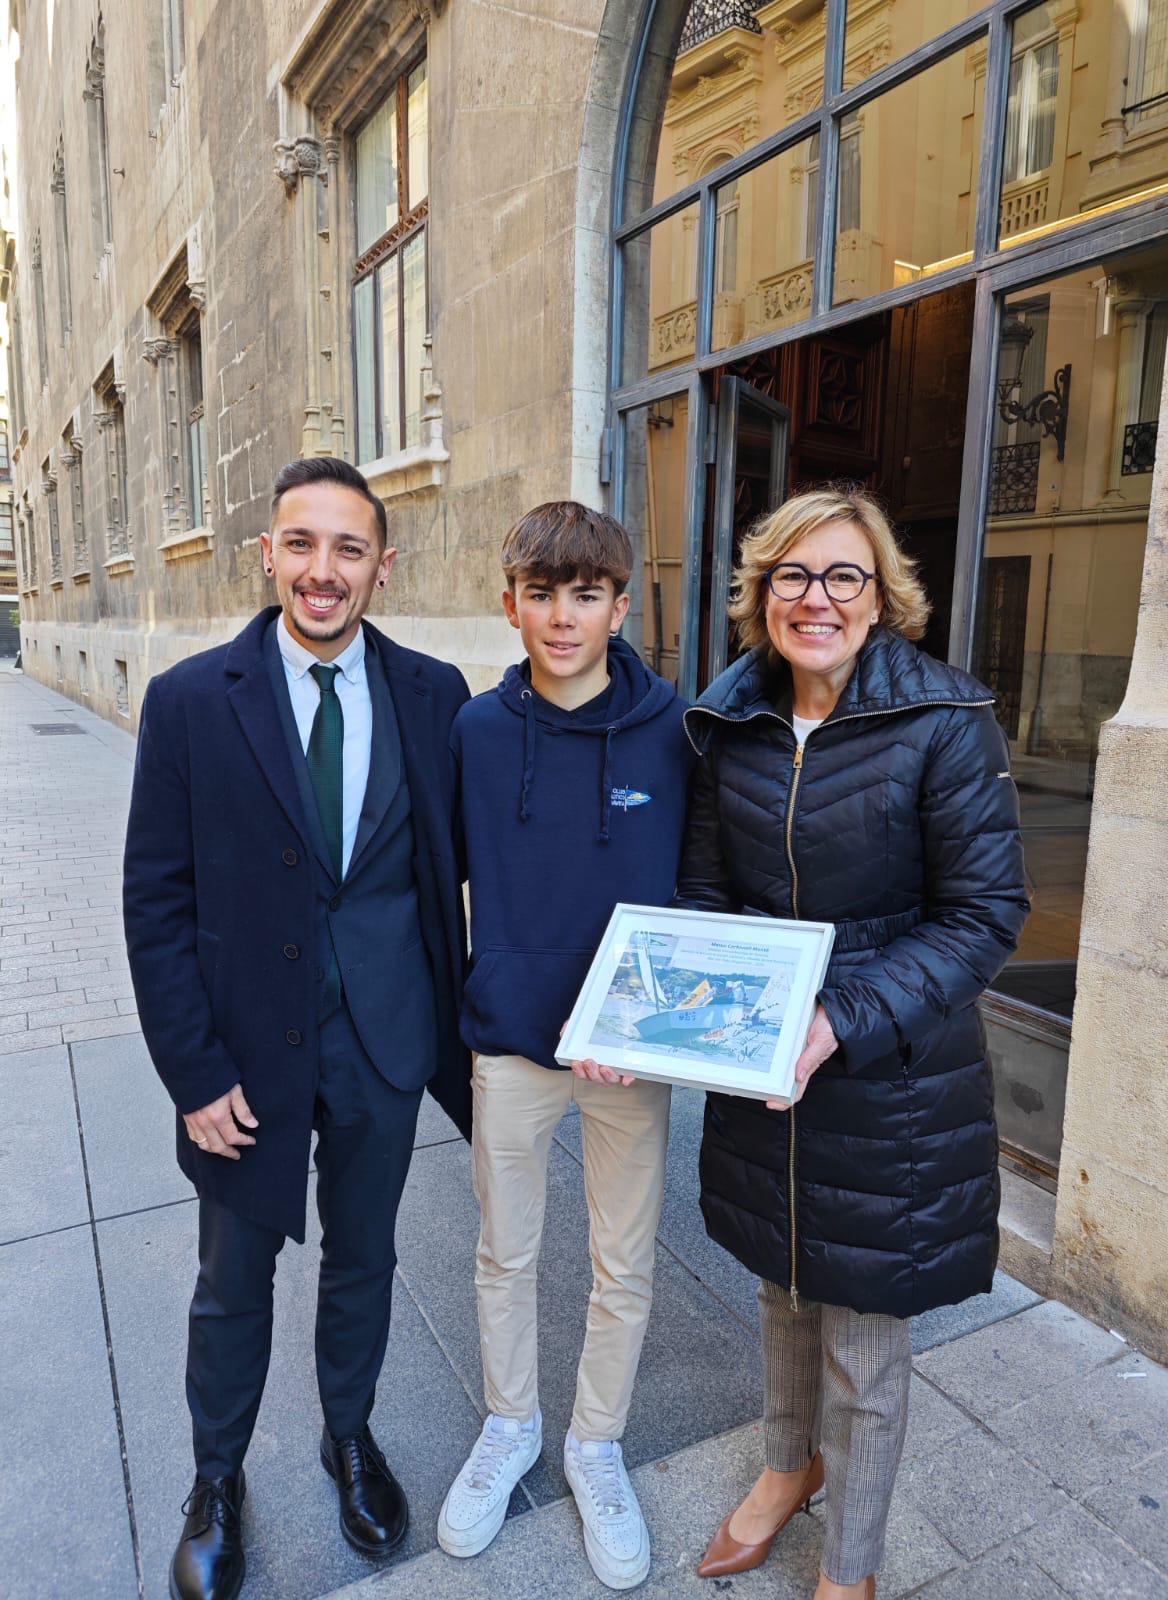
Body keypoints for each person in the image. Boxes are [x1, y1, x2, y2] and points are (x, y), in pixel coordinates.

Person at [123, 457, 471, 1600]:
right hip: (243, 1058)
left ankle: (349, 1435)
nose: (324, 571)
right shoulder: (187, 701)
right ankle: (216, 1480)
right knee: (234, 1277)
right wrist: (191, 1068)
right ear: (267, 553)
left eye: (349, 548)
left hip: (385, 1040)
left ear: (381, 563)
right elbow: (156, 899)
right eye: (302, 544)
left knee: (366, 1258)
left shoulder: (434, 694)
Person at [678, 486, 1029, 1600]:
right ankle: (789, 1464)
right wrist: (714, 1007)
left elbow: (983, 916)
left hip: (890, 1079)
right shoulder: (727, 722)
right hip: (765, 1065)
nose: (815, 598)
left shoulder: (945, 721)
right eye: (792, 574)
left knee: (866, 1333)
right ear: (761, 593)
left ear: (882, 599)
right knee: (781, 1285)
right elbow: (703, 892)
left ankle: (854, 1566)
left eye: (843, 576)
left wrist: (835, 1019)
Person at [438, 502, 693, 1590]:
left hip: (625, 1058)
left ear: (621, 604)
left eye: (585, 593)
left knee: (621, 1262)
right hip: (510, 1044)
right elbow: (441, 877)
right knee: (505, 1252)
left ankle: (596, 1441)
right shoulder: (478, 733)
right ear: (511, 603)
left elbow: (696, 893)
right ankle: (512, 1425)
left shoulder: (673, 730)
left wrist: (661, 1020)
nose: (561, 615)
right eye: (540, 593)